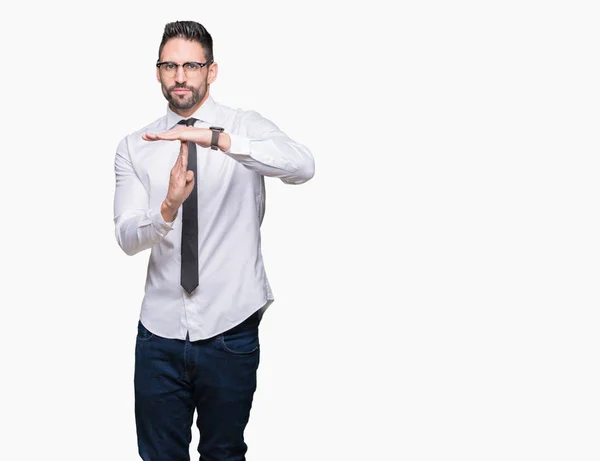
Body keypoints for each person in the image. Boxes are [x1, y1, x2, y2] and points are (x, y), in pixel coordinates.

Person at [112, 20, 315, 461]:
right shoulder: (136, 145)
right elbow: (127, 237)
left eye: (191, 65)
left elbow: (302, 166)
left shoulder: (245, 127)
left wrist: (216, 139)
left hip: (231, 326)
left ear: (211, 70)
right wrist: (166, 207)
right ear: (158, 71)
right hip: (159, 335)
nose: (180, 76)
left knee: (224, 454)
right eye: (170, 66)